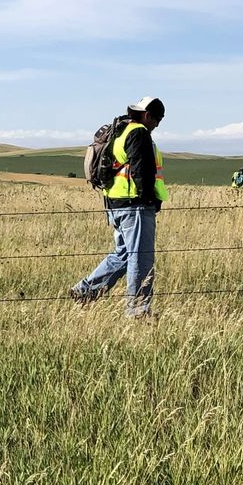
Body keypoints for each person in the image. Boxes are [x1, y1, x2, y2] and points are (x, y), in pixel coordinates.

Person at [70, 96, 169, 318]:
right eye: (157, 119)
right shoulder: (138, 132)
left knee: (123, 255)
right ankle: (138, 310)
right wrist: (150, 200)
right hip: (135, 205)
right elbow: (141, 171)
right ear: (146, 115)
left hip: (115, 204)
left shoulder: (119, 130)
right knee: (141, 257)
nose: (157, 124)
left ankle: (85, 291)